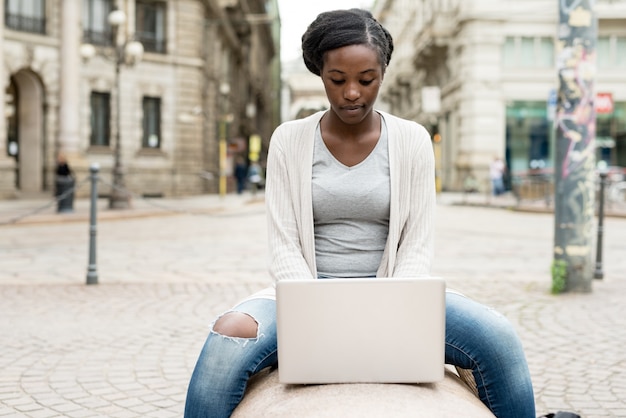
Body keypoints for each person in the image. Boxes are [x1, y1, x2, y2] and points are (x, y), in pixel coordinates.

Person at [184, 9, 535, 418]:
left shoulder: (412, 140)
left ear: (383, 73)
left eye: (366, 80)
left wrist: (389, 311)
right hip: (306, 292)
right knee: (227, 336)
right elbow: (283, 245)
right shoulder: (288, 140)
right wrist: (315, 312)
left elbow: (417, 244)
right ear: (320, 74)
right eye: (338, 80)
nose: (352, 92)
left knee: (498, 336)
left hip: (397, 290)